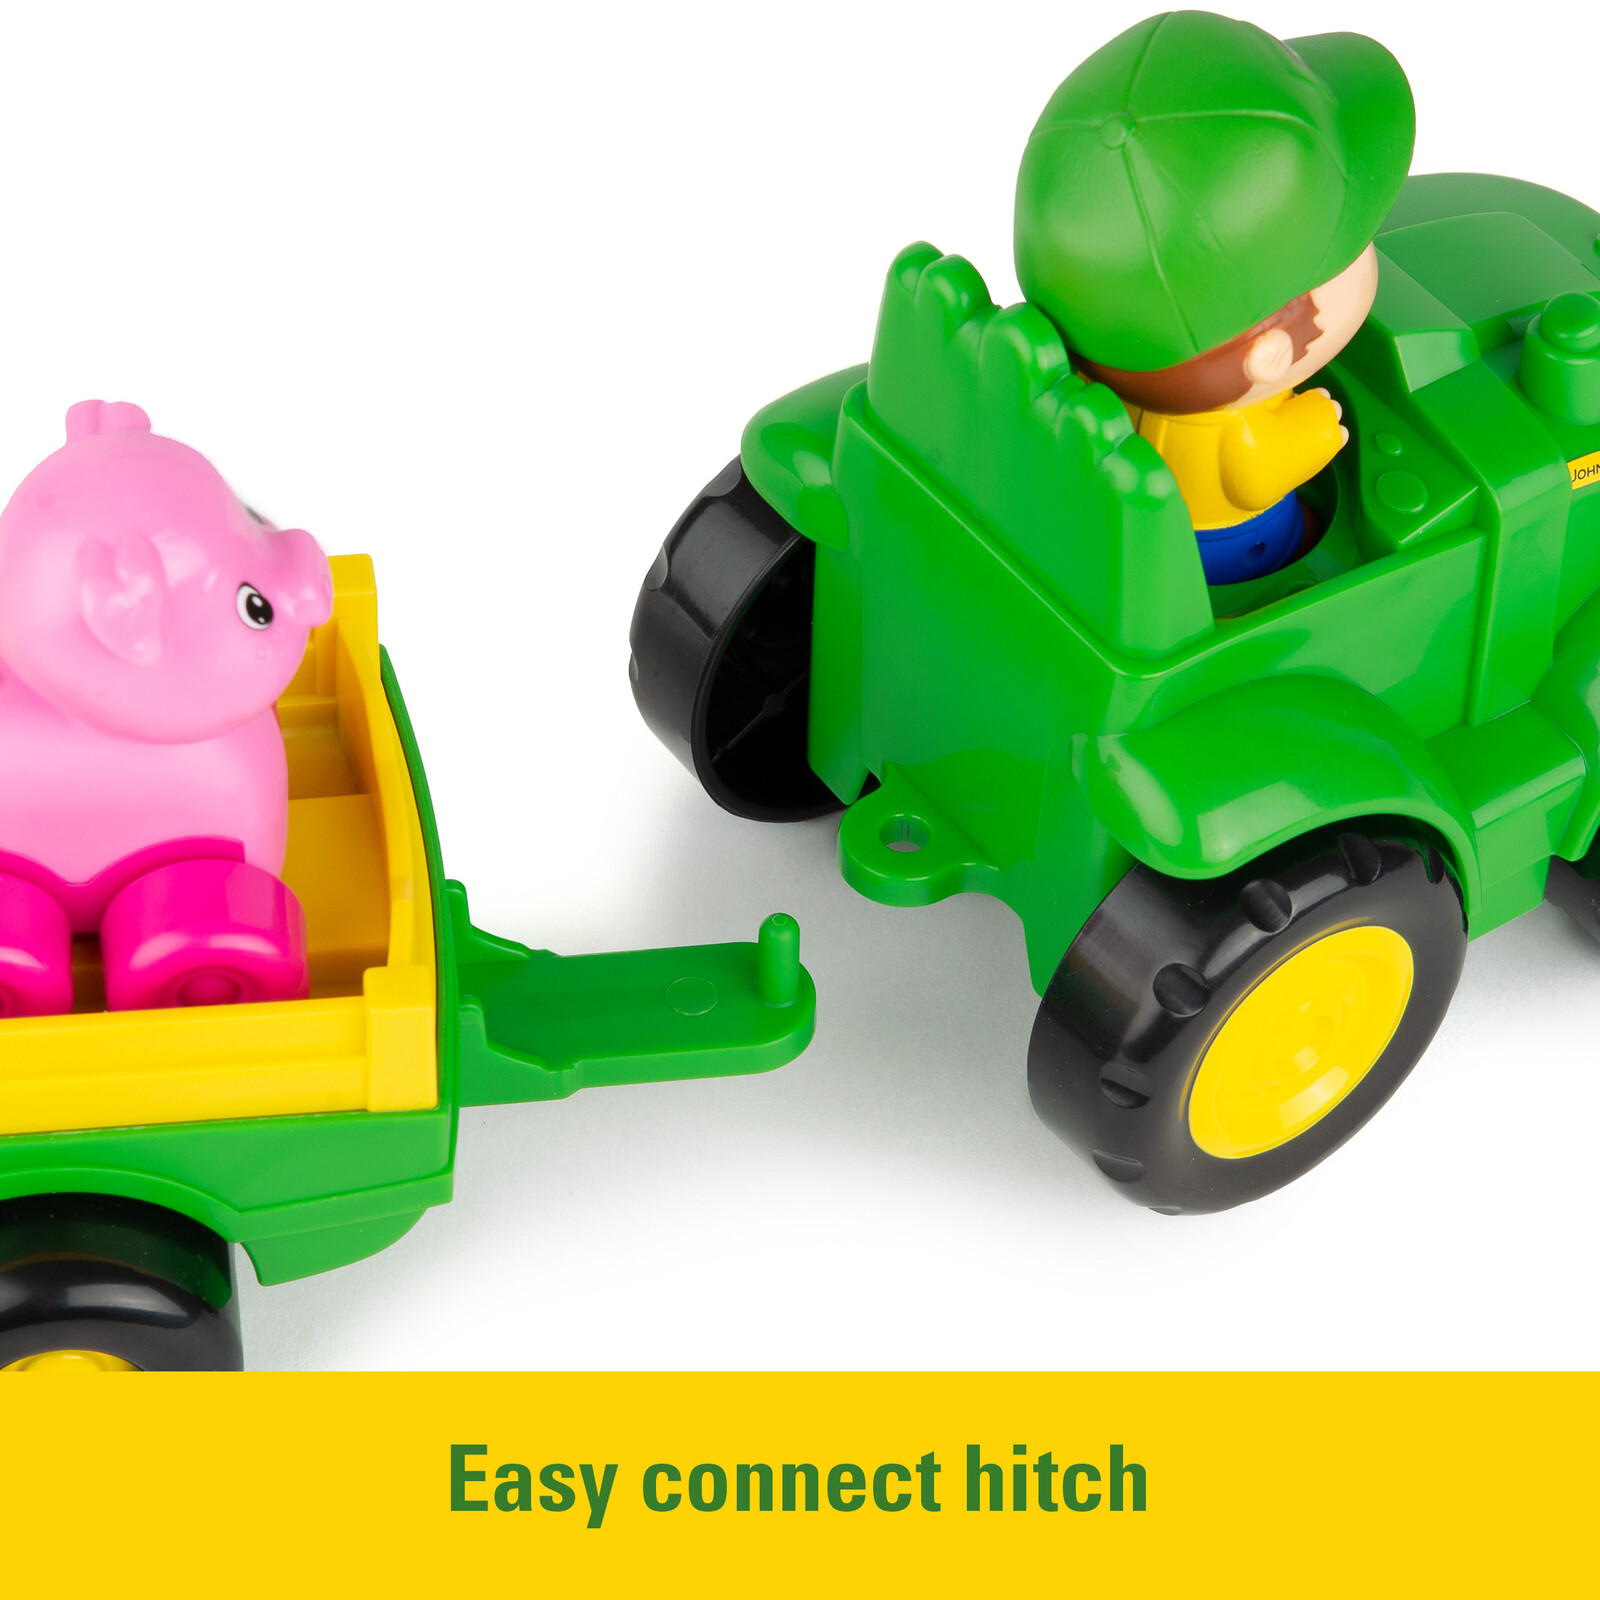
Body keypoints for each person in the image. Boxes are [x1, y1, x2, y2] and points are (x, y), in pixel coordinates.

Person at [1014, 12, 1415, 583]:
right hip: (1239, 547)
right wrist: (1320, 426)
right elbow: (1256, 473)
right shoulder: (1235, 432)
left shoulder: (1103, 383)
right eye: (1348, 243)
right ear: (1270, 354)